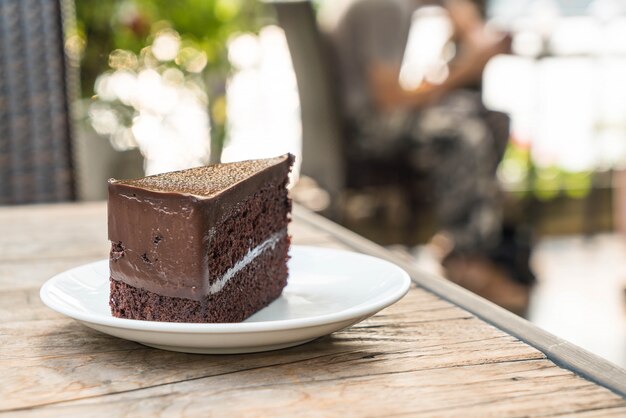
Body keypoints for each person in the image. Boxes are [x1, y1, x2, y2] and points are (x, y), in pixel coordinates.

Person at [325, 0, 535, 313]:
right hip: (368, 132)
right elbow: (388, 99)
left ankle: (460, 243)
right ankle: (469, 260)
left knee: (490, 118)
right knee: (465, 134)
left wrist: (463, 29)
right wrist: (468, 68)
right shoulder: (383, 7)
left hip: (366, 121)